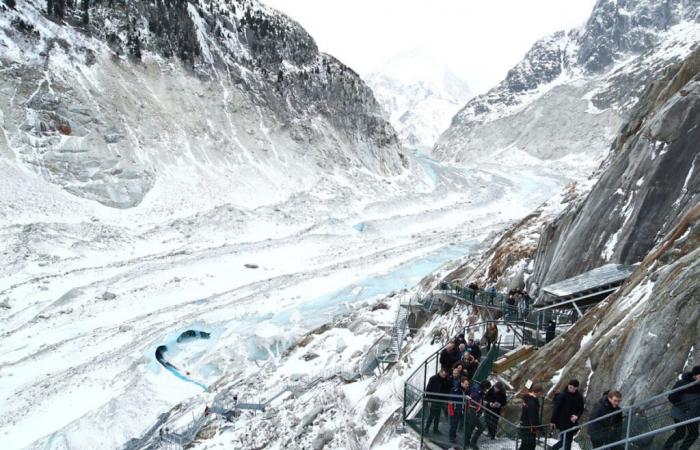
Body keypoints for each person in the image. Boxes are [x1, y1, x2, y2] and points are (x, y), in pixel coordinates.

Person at [663, 365, 700, 450]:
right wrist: (684, 407)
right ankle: (666, 448)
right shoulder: (682, 383)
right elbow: (671, 397)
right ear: (695, 375)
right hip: (681, 413)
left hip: (692, 414)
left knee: (693, 434)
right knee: (680, 433)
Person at [550, 379, 585, 450]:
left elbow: (581, 409)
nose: (570, 388)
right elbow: (556, 408)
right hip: (563, 421)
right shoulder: (563, 395)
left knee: (568, 440)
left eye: (572, 387)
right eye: (569, 386)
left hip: (572, 422)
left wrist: (577, 416)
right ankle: (552, 449)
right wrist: (552, 421)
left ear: (576, 388)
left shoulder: (579, 397)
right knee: (566, 440)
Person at [424, 368, 451, 435]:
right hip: (433, 400)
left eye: (445, 374)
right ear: (440, 372)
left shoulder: (446, 380)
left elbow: (447, 390)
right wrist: (429, 400)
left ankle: (435, 429)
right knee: (432, 415)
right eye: (443, 374)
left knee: (437, 416)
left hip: (440, 400)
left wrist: (446, 400)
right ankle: (426, 429)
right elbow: (428, 389)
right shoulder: (433, 379)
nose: (444, 375)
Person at [466, 380, 490, 449]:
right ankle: (472, 443)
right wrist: (475, 413)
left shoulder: (478, 390)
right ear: (484, 387)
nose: (486, 390)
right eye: (486, 388)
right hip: (473, 412)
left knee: (471, 427)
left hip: (474, 412)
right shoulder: (477, 391)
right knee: (480, 427)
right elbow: (473, 403)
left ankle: (469, 442)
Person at [519, 384, 544, 450]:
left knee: (524, 445)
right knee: (529, 446)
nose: (540, 395)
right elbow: (533, 418)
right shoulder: (532, 402)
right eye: (541, 393)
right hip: (529, 428)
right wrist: (541, 429)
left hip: (525, 425)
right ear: (538, 392)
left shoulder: (527, 399)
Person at [448, 377, 471, 444]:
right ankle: (452, 438)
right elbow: (452, 398)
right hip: (455, 410)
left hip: (462, 410)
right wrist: (464, 397)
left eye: (468, 384)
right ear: (461, 383)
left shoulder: (465, 390)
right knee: (453, 425)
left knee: (461, 424)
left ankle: (458, 438)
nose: (467, 385)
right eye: (466, 384)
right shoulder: (455, 389)